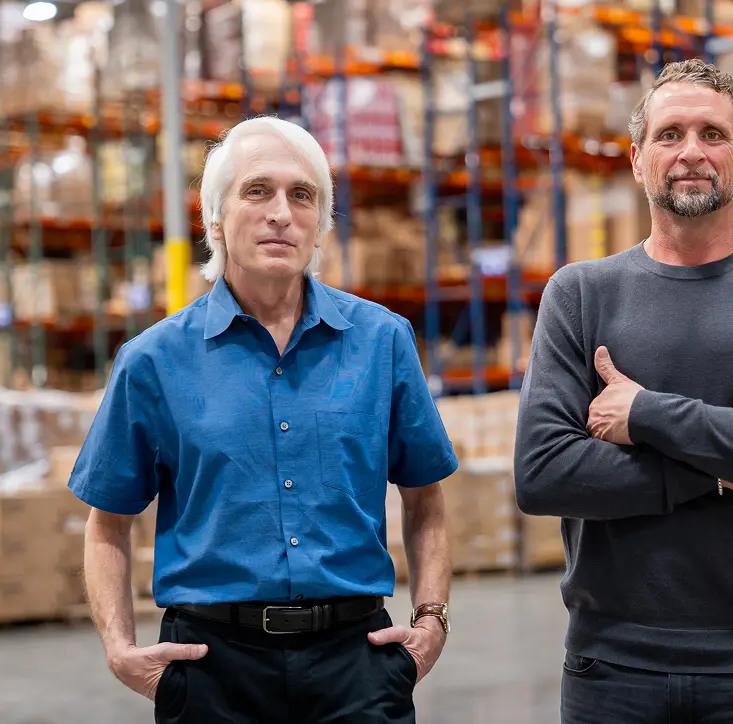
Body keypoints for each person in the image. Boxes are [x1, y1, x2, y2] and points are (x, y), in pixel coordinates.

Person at [68, 115, 458, 724]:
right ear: (215, 218)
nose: (281, 212)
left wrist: (431, 620)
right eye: (258, 190)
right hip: (214, 669)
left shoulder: (383, 342)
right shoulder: (152, 361)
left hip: (356, 664)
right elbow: (107, 525)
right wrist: (120, 650)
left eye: (302, 195)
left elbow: (426, 498)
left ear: (321, 223)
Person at [513, 58, 733, 723]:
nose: (691, 152)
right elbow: (543, 474)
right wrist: (726, 468)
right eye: (670, 135)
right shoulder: (580, 296)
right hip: (610, 666)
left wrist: (645, 413)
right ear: (638, 160)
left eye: (712, 134)